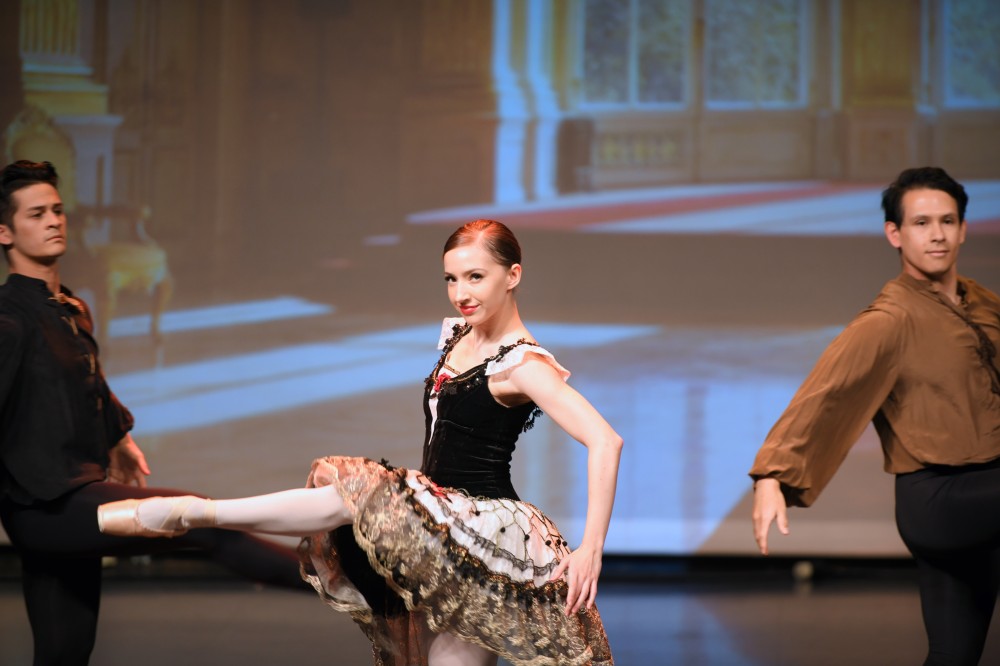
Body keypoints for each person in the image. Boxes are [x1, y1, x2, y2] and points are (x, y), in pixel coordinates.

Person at [99, 219, 623, 666]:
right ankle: (195, 512)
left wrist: (592, 549)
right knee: (353, 498)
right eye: (451, 278)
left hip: (483, 533)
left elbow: (606, 440)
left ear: (513, 276)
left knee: (359, 494)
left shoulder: (524, 364)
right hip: (437, 521)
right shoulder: (459, 334)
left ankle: (196, 512)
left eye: (475, 277)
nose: (461, 293)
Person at [0, 160, 306, 666]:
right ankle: (349, 586)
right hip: (47, 507)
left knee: (64, 652)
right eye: (37, 214)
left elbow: (88, 381)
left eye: (57, 209)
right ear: (5, 232)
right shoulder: (9, 318)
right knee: (199, 517)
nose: (54, 220)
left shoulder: (70, 307)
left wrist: (118, 437)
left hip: (74, 498)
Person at [749, 167, 1000, 666]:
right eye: (921, 222)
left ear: (963, 229)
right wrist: (772, 475)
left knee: (954, 654)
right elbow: (827, 393)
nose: (937, 234)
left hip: (983, 494)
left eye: (947, 221)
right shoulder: (890, 319)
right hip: (940, 500)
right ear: (895, 234)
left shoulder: (982, 303)